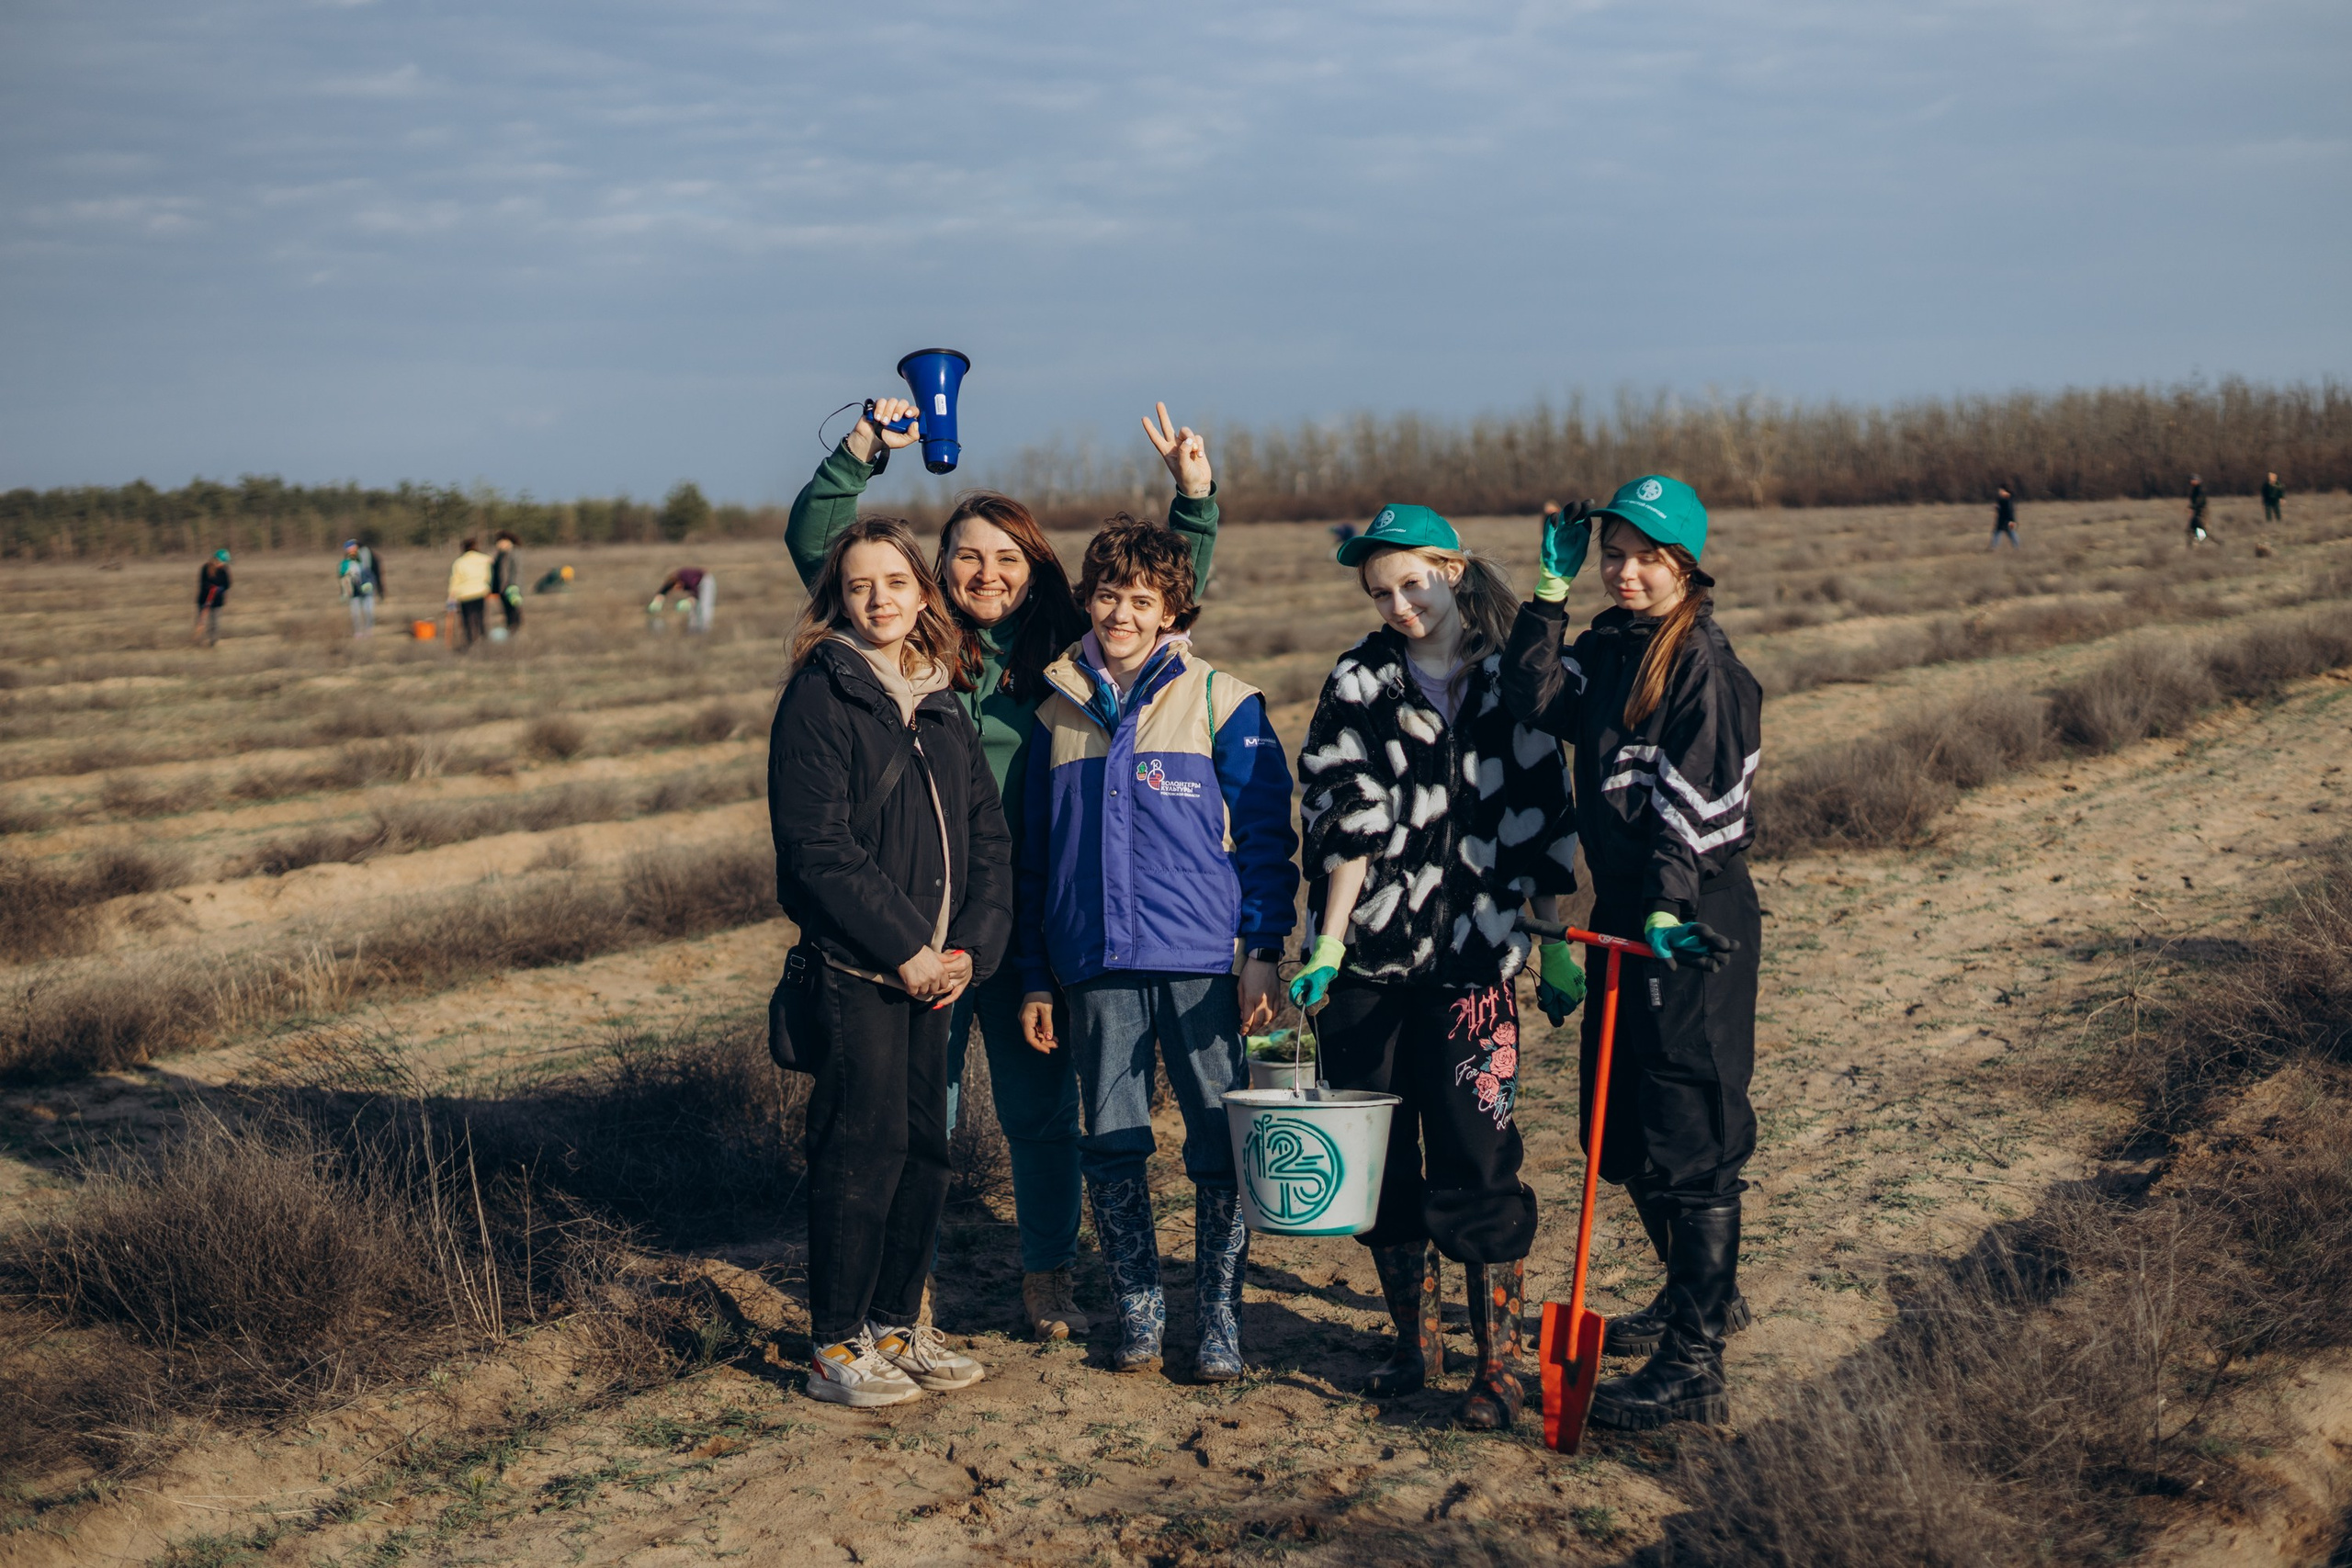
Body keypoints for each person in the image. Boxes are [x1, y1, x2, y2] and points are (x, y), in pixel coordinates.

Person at [785, 399, 1225, 1345]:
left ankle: (1046, 1277)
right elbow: (826, 547)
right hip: (911, 917)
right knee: (917, 1111)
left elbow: (1167, 591)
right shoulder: (912, 644)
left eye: (1008, 559)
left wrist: (1194, 496)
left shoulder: (1069, 652)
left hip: (1029, 924)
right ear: (939, 571)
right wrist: (863, 448)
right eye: (969, 558)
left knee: (1037, 1112)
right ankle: (913, 1288)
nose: (988, 574)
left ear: (1035, 572)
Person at [1287, 502, 1583, 1430]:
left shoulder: (1509, 682)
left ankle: (1496, 1368)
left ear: (1452, 570)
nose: (1399, 606)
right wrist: (1331, 941)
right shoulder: (1359, 678)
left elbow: (1540, 812)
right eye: (1379, 592)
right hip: (1367, 969)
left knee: (1480, 1159)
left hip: (1474, 970)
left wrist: (1552, 937)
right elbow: (1345, 817)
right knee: (1381, 1170)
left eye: (1411, 583)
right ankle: (1415, 1345)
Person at [1500, 475, 1762, 1432]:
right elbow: (1530, 700)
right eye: (1612, 552)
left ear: (1682, 563)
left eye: (1644, 555)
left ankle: (1696, 1365)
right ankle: (1703, 1293)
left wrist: (1664, 912)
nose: (1625, 570)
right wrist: (1546, 594)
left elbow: (1694, 812)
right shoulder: (1611, 646)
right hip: (1624, 916)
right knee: (1620, 1132)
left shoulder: (1706, 668)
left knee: (1691, 1137)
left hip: (1688, 923)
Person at [1014, 518, 1297, 1382]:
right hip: (1093, 961)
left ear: (1175, 607)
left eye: (1143, 599)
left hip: (1203, 962)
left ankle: (1218, 1316)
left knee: (1219, 1132)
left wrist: (1263, 949)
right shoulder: (1053, 711)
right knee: (1111, 1135)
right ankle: (1139, 1309)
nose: (1122, 614)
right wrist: (1034, 974)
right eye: (1108, 595)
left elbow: (1263, 839)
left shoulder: (1223, 700)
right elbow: (1035, 856)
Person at [769, 518, 1013, 1408]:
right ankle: (835, 1344)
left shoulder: (942, 695)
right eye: (861, 584)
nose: (880, 600)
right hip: (861, 973)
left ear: (923, 595)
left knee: (925, 1155)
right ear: (838, 596)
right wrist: (906, 949)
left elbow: (988, 839)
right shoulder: (823, 695)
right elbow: (816, 849)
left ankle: (897, 1326)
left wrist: (967, 951)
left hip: (938, 975)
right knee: (857, 1154)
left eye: (896, 583)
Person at [447, 537, 493, 648]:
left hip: (464, 594)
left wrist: (451, 596)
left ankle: (470, 642)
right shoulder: (484, 559)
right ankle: (483, 639)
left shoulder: (459, 562)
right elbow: (488, 576)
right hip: (480, 591)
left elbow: (455, 580)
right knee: (480, 617)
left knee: (467, 620)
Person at [338, 539, 384, 637]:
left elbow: (373, 572)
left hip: (367, 587)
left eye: (351, 548)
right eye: (348, 549)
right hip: (354, 590)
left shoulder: (366, 555)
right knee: (355, 612)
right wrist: (344, 591)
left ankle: (369, 631)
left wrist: (375, 587)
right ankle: (358, 632)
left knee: (368, 610)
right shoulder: (346, 561)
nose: (349, 550)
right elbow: (343, 577)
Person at [654, 567, 715, 632]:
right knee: (693, 608)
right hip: (695, 586)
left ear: (678, 582)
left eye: (678, 587)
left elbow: (695, 592)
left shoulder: (687, 579)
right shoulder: (672, 581)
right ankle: (693, 629)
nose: (678, 589)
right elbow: (663, 590)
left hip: (705, 581)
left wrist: (690, 600)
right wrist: (658, 599)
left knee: (704, 605)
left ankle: (705, 628)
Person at [193, 548, 232, 646]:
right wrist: (210, 587)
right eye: (223, 562)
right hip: (204, 600)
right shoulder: (205, 568)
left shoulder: (224, 570)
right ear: (217, 560)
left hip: (217, 601)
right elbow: (203, 583)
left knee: (215, 623)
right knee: (201, 621)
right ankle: (198, 641)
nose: (223, 564)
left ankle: (213, 642)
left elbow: (227, 584)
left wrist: (220, 589)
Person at [491, 532, 523, 636]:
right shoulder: (500, 555)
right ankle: (511, 629)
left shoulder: (514, 553)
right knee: (507, 611)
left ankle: (516, 630)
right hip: (503, 588)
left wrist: (514, 586)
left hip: (513, 588)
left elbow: (517, 570)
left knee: (515, 610)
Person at [1990, 485, 2019, 549]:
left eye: (2000, 491)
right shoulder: (2002, 499)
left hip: (2008, 520)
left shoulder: (2007, 499)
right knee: (1998, 533)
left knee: (2011, 533)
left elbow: (2009, 511)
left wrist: (2011, 520)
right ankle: (1993, 547)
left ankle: (2017, 547)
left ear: (2004, 491)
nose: (1999, 492)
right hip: (2003, 520)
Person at [2187, 475, 2210, 545]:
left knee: (2202, 530)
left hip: (2200, 512)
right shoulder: (2195, 489)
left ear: (2197, 481)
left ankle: (2218, 543)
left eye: (2193, 480)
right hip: (2196, 512)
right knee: (2191, 530)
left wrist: (2192, 507)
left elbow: (2200, 501)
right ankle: (2191, 547)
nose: (2191, 481)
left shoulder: (2200, 489)